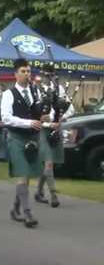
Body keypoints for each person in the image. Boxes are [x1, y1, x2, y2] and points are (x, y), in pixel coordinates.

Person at [1, 58, 43, 228]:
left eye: (28, 71)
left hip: (33, 138)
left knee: (26, 177)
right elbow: (6, 118)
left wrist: (45, 118)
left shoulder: (36, 92)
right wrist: (28, 122)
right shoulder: (8, 94)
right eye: (23, 71)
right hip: (17, 138)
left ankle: (14, 209)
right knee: (23, 174)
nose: (27, 74)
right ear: (15, 74)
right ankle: (27, 213)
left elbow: (40, 114)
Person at [34, 64, 74, 207]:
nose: (47, 77)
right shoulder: (36, 90)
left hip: (56, 130)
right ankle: (53, 195)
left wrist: (62, 118)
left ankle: (38, 192)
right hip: (42, 131)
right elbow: (35, 114)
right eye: (45, 74)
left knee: (49, 163)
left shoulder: (60, 89)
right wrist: (49, 123)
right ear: (41, 74)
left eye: (50, 74)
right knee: (48, 162)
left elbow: (71, 108)